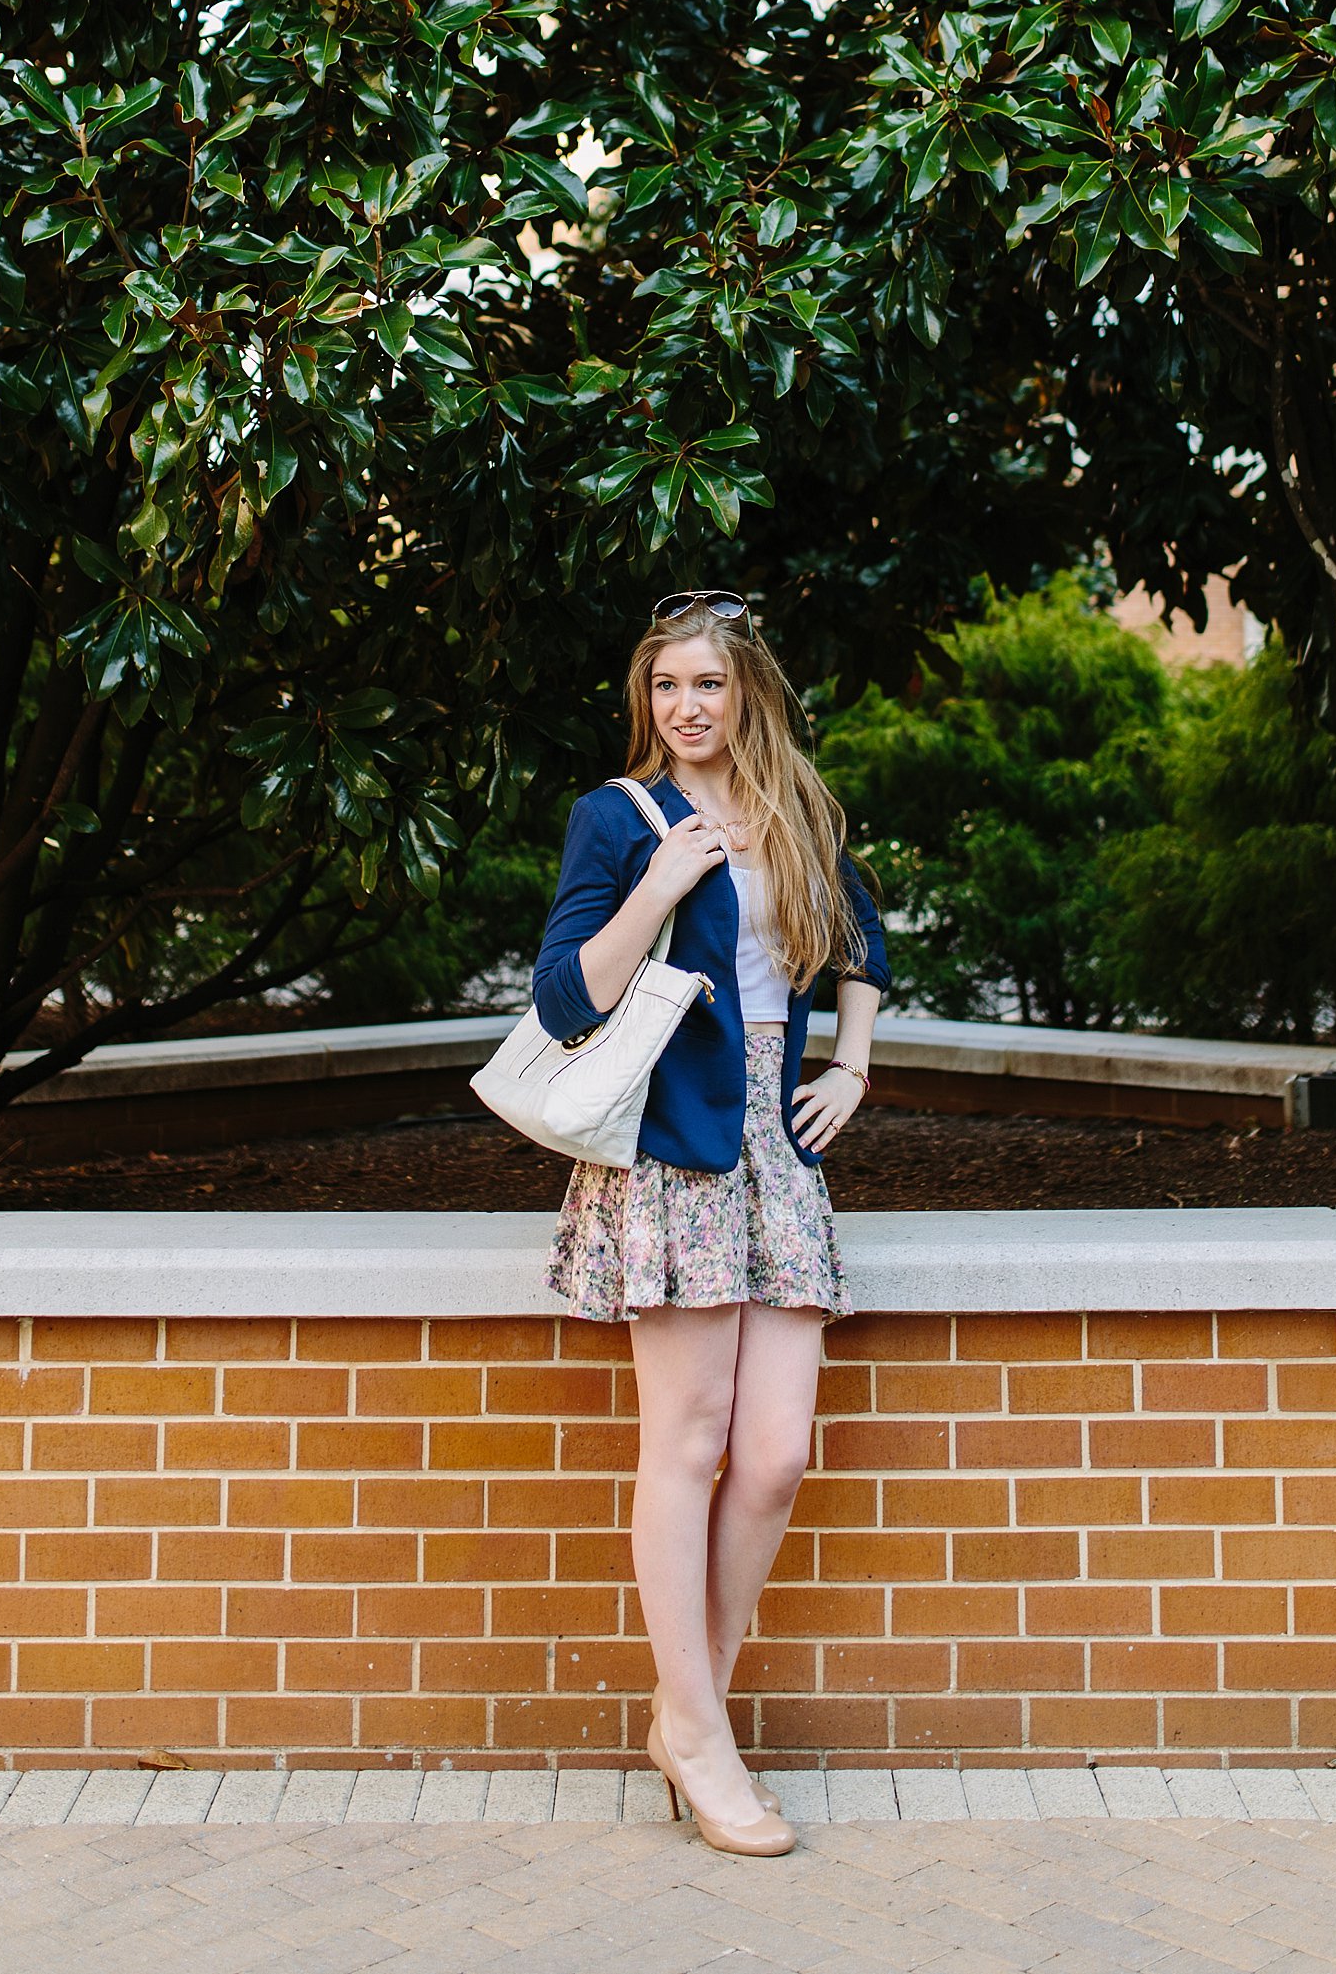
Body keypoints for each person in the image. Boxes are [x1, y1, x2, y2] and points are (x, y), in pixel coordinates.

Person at [531, 590, 890, 1857]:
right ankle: (698, 1729)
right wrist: (663, 882)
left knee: (778, 1453)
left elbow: (858, 934)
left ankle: (693, 1715)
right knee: (685, 1444)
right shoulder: (616, 819)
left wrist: (848, 1063)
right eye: (667, 686)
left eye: (709, 685)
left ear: (749, 696)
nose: (686, 707)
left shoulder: (796, 814)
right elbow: (566, 995)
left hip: (777, 1160)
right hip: (674, 1157)